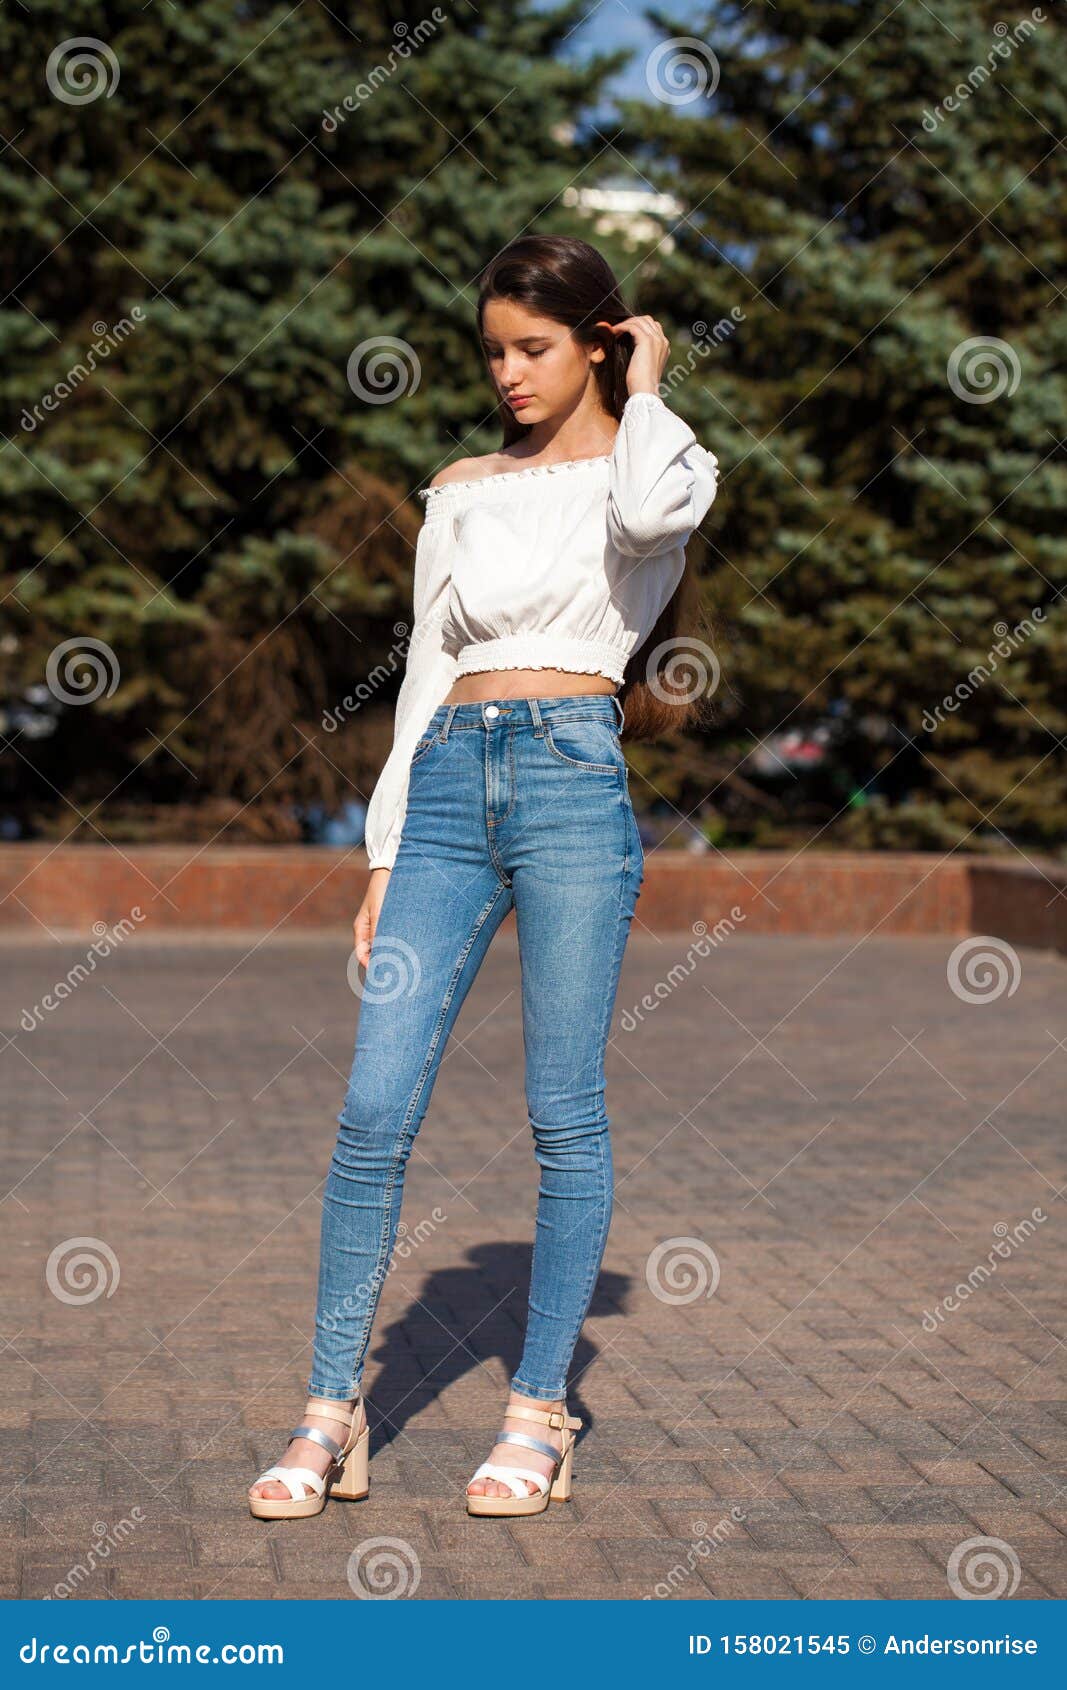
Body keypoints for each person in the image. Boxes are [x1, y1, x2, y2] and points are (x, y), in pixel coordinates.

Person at [249, 234, 720, 1521]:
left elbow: (644, 520)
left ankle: (537, 1411)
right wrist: (382, 852)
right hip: (451, 782)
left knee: (561, 1113)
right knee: (371, 1108)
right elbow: (420, 680)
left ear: (597, 342)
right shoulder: (458, 486)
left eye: (536, 348)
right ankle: (329, 1413)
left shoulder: (655, 464)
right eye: (494, 352)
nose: (509, 374)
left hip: (573, 780)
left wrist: (649, 383)